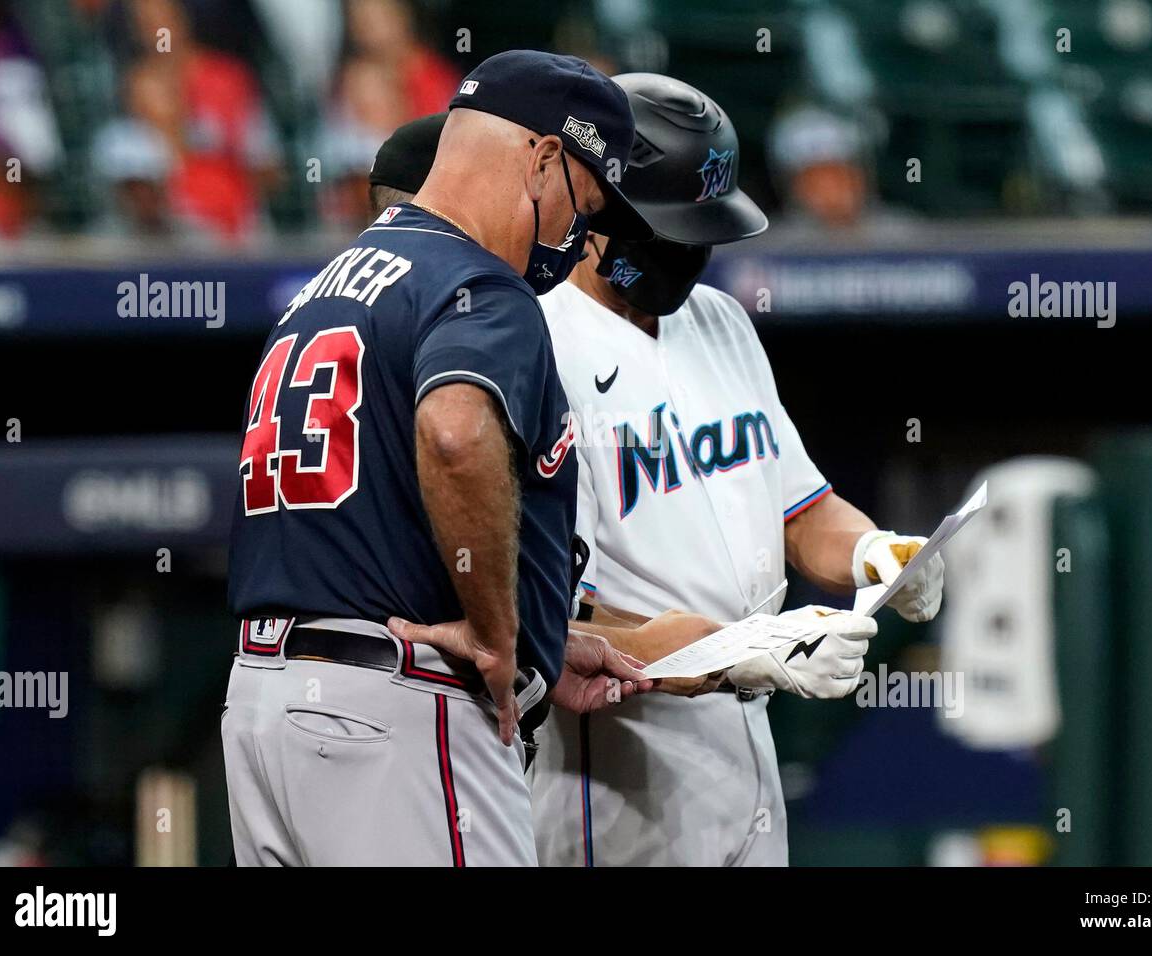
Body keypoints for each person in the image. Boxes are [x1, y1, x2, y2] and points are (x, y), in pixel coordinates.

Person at [222, 50, 667, 867]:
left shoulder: (329, 284)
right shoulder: (477, 284)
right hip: (394, 714)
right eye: (586, 202)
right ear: (541, 159)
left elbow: (367, 519)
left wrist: (539, 634)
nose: (577, 237)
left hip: (265, 707)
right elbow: (454, 435)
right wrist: (500, 636)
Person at [528, 74, 945, 866]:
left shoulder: (720, 321)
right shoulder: (539, 345)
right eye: (671, 230)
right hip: (617, 762)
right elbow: (559, 623)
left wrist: (871, 551)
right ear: (596, 209)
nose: (691, 254)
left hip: (747, 735)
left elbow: (802, 506)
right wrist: (743, 648)